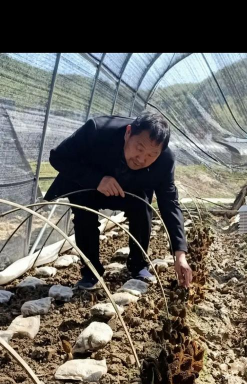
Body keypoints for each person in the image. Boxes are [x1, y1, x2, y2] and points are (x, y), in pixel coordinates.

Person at [44, 111, 193, 290]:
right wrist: (97, 180)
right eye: (139, 148)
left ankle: (138, 265)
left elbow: (169, 202)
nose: (141, 159)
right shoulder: (98, 130)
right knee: (84, 214)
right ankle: (91, 272)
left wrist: (180, 254)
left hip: (129, 190)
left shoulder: (165, 160)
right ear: (128, 132)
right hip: (90, 184)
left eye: (151, 155)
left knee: (143, 207)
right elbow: (58, 157)